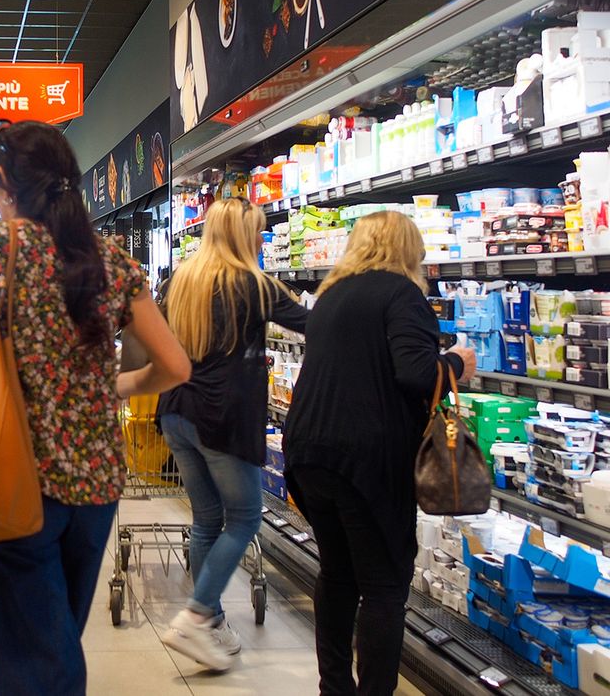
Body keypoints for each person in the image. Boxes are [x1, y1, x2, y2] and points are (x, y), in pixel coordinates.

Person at [0, 119, 190, 696]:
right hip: (95, 484)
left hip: (16, 476)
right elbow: (175, 368)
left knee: (35, 659)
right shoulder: (112, 262)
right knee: (48, 637)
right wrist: (113, 386)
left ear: (5, 181)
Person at [283, 211, 476, 696]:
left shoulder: (330, 296)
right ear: (409, 250)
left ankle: (334, 688)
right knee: (384, 587)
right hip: (366, 461)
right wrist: (456, 363)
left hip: (309, 452)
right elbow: (414, 373)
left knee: (338, 573)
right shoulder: (402, 294)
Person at [155, 198, 309, 670]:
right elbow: (312, 323)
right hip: (220, 419)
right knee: (244, 519)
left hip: (176, 410)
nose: (262, 240)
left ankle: (212, 621)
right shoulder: (254, 284)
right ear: (244, 237)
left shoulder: (182, 279)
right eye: (259, 233)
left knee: (206, 519)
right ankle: (197, 616)